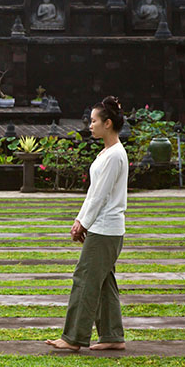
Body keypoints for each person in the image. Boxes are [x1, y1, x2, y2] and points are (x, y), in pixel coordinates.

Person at [46, 96, 129, 352]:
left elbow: (101, 195)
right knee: (104, 283)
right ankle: (112, 335)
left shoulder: (115, 155)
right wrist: (80, 220)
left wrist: (84, 222)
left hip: (106, 228)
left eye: (94, 121)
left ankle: (73, 337)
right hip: (103, 227)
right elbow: (94, 192)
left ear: (108, 123)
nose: (90, 125)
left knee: (84, 279)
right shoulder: (107, 152)